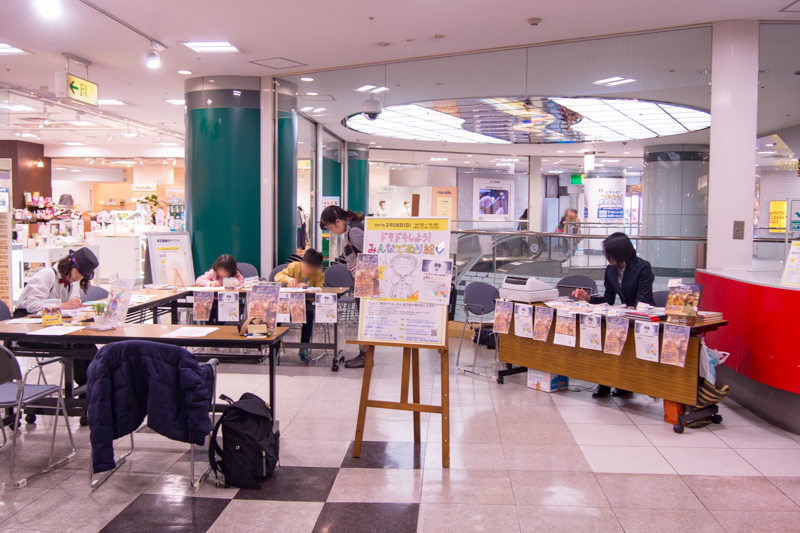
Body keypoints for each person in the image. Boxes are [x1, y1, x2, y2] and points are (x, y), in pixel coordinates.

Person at [572, 232, 655, 398]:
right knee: (603, 333)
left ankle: (624, 383)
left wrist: (628, 309)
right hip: (624, 315)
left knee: (622, 342)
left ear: (620, 252)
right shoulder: (611, 270)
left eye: (609, 253)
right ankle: (605, 382)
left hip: (644, 317)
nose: (606, 257)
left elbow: (643, 300)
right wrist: (588, 298)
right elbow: (608, 299)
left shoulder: (643, 267)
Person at [15, 247, 99, 387]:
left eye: (83, 276)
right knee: (77, 344)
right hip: (27, 326)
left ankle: (92, 385)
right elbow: (32, 306)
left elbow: (59, 309)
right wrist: (63, 305)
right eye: (79, 272)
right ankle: (86, 388)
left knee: (87, 342)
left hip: (48, 324)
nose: (79, 278)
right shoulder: (47, 274)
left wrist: (72, 307)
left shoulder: (68, 284)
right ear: (70, 264)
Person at [319, 205, 367, 368]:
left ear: (338, 221)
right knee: (364, 318)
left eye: (331, 227)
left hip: (366, 281)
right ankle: (365, 354)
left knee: (365, 319)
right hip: (362, 280)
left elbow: (370, 252)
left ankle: (365, 355)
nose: (332, 231)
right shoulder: (352, 228)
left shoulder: (353, 231)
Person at [274, 249, 325, 363]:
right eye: (306, 267)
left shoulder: (319, 275)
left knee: (309, 313)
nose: (308, 270)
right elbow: (278, 276)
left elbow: (320, 290)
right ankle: (275, 346)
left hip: (306, 301)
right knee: (278, 313)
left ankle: (304, 347)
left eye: (312, 269)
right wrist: (289, 279)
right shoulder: (294, 266)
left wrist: (308, 288)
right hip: (289, 300)